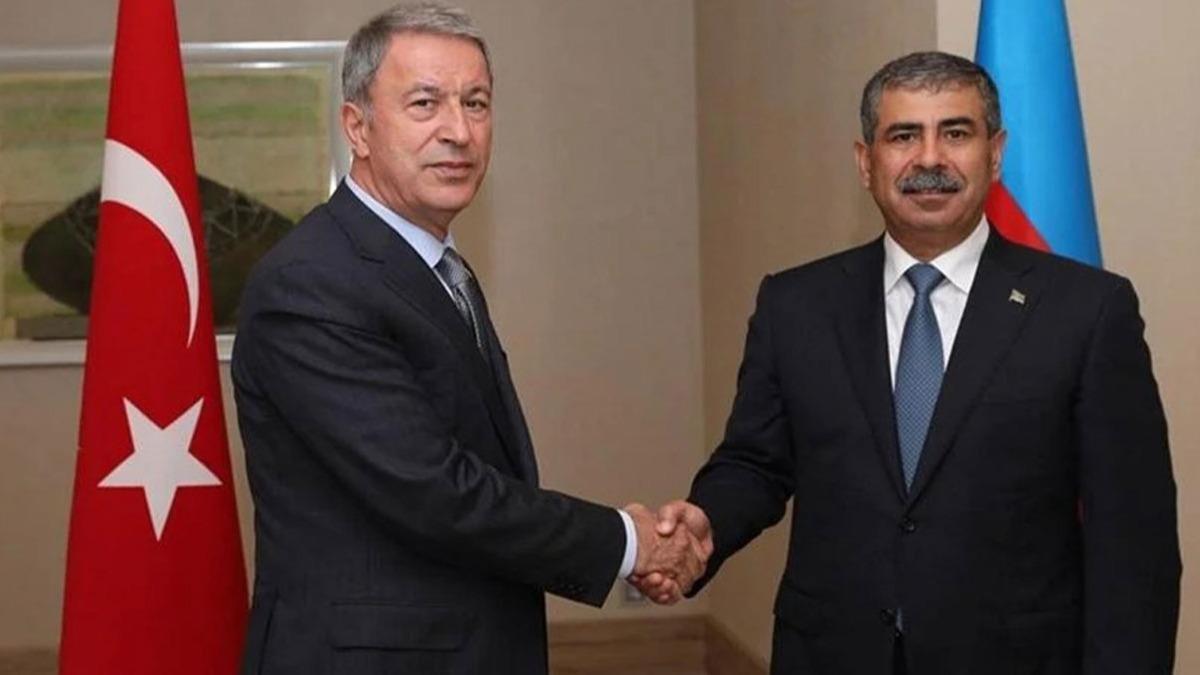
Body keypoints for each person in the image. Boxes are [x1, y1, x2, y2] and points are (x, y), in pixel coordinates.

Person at [644, 51, 1180, 674]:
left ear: (995, 154)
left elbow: (1133, 538)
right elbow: (756, 462)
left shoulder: (1088, 311)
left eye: (955, 133)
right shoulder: (796, 305)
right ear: (865, 162)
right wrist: (705, 522)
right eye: (903, 136)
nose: (930, 159)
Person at [231, 4, 708, 674]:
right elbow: (434, 491)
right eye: (425, 103)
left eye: (476, 103)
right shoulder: (312, 283)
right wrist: (628, 542)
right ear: (357, 127)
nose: (458, 131)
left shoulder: (435, 268)